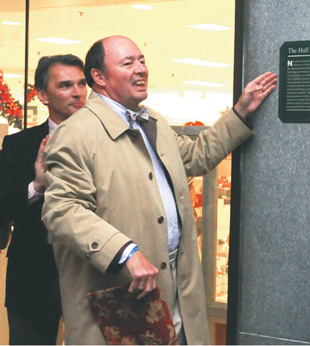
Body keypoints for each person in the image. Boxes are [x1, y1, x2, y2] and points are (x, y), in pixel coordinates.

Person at [41, 35, 277, 345]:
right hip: (121, 311)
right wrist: (125, 252)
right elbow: (62, 211)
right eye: (128, 63)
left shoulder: (153, 123)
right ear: (98, 77)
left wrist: (241, 112)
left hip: (175, 299)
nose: (140, 69)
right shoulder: (76, 134)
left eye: (142, 60)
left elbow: (197, 156)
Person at [0, 54, 87, 344]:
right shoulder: (18, 145)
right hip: (34, 272)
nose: (76, 92)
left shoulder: (107, 142)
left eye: (81, 83)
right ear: (42, 95)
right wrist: (37, 186)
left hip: (91, 271)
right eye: (65, 85)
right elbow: (4, 208)